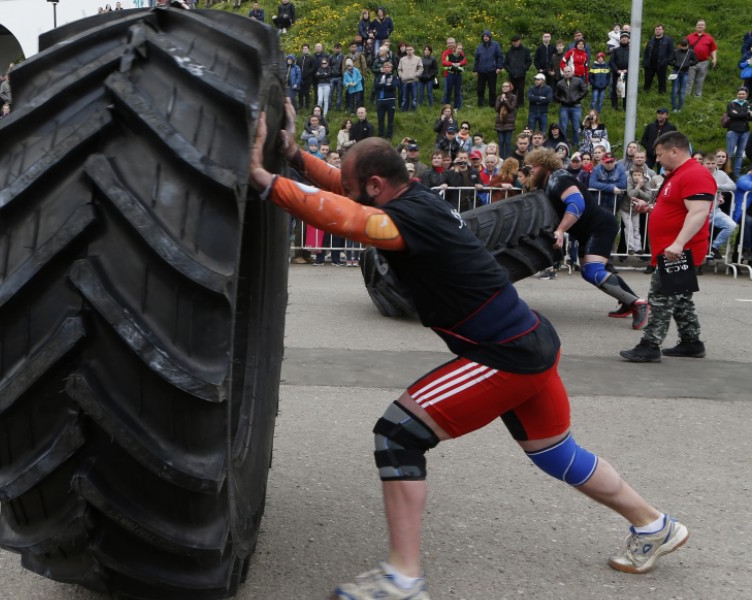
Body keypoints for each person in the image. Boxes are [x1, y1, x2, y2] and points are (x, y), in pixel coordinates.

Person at [249, 99, 689, 600]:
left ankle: (403, 579)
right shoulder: (414, 197)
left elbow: (351, 221)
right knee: (555, 452)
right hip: (530, 338)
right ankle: (654, 525)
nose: (348, 191)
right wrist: (292, 154)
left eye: (355, 187)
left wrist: (263, 179)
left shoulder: (403, 220)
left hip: (505, 353)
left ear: (376, 186)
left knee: (397, 435)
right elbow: (341, 187)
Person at [524, 147, 649, 326]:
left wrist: (560, 231)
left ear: (544, 165)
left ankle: (639, 303)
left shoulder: (559, 178)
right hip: (587, 231)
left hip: (599, 227)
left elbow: (576, 204)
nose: (532, 171)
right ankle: (629, 302)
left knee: (592, 271)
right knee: (590, 272)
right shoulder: (548, 182)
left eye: (533, 167)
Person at [621, 131, 714, 362]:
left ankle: (650, 345)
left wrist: (679, 243)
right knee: (681, 296)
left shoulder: (695, 175)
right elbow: (676, 209)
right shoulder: (677, 174)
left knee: (660, 295)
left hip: (680, 250)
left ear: (675, 151)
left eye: (660, 154)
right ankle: (691, 342)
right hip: (673, 247)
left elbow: (699, 212)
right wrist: (650, 208)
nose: (658, 159)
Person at [685, 19, 717, 98]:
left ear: (705, 27)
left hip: (704, 62)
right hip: (691, 62)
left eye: (702, 25)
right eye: (698, 25)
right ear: (696, 26)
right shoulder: (689, 37)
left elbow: (713, 49)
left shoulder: (709, 38)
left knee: (700, 80)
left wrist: (714, 58)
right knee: (689, 80)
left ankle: (697, 96)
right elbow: (682, 47)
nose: (700, 26)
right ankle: (686, 96)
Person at [556, 66, 586, 147]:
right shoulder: (560, 83)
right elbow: (556, 95)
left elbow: (585, 90)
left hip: (576, 106)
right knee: (563, 127)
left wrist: (577, 98)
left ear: (572, 72)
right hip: (564, 107)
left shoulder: (578, 80)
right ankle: (564, 144)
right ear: (563, 73)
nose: (567, 73)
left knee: (576, 127)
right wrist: (562, 100)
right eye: (565, 72)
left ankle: (576, 144)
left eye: (568, 71)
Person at [725, 87, 751, 177]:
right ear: (737, 94)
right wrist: (747, 114)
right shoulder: (731, 104)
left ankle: (736, 175)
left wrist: (739, 114)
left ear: (746, 95)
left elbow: (750, 118)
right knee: (730, 154)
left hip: (745, 132)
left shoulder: (747, 104)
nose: (741, 96)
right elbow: (732, 115)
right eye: (739, 94)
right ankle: (727, 173)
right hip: (733, 131)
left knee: (739, 155)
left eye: (743, 94)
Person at [473, 30, 503, 108]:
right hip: (481, 70)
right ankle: (480, 104)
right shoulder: (479, 47)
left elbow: (500, 56)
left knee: (492, 88)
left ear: (490, 37)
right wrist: (475, 69)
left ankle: (492, 104)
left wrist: (499, 67)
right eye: (484, 36)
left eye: (486, 36)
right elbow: (476, 59)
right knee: (480, 88)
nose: (485, 38)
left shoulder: (496, 45)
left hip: (492, 70)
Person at [643, 24, 674, 94]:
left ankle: (662, 95)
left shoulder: (668, 40)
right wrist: (645, 62)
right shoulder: (650, 41)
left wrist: (666, 61)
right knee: (647, 80)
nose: (657, 31)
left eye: (659, 29)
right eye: (656, 29)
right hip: (650, 65)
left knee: (662, 81)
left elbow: (671, 53)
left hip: (661, 64)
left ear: (663, 30)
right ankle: (645, 93)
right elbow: (646, 53)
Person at [670, 39, 696, 112]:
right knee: (674, 90)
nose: (684, 48)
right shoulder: (676, 51)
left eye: (685, 46)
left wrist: (688, 64)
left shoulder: (690, 52)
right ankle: (674, 108)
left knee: (682, 91)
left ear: (688, 45)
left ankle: (680, 108)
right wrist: (675, 64)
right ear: (680, 45)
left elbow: (695, 61)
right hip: (676, 72)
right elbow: (669, 60)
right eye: (682, 46)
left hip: (685, 73)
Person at [374, 61, 398, 140]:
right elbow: (376, 86)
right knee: (380, 119)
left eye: (388, 67)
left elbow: (393, 86)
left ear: (391, 68)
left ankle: (389, 136)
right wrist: (385, 85)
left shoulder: (394, 77)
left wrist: (383, 85)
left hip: (390, 100)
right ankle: (381, 135)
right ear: (383, 69)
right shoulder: (380, 77)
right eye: (385, 67)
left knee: (390, 119)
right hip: (380, 100)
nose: (386, 68)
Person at [494, 82, 518, 158]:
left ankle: (507, 158)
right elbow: (497, 109)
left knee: (507, 141)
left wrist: (505, 100)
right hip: (500, 123)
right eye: (503, 86)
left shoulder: (514, 97)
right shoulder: (499, 97)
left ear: (510, 87)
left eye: (506, 86)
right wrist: (501, 100)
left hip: (509, 123)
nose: (504, 88)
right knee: (501, 141)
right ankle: (501, 157)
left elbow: (511, 108)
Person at [608, 31, 631, 110]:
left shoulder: (631, 51)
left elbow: (633, 62)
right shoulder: (615, 50)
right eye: (622, 37)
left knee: (627, 91)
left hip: (627, 74)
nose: (624, 39)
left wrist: (627, 70)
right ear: (620, 39)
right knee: (615, 90)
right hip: (616, 73)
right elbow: (611, 62)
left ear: (628, 39)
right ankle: (615, 106)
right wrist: (617, 70)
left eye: (626, 37)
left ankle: (625, 107)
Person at [441, 41, 466, 110]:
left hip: (458, 74)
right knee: (447, 92)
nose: (450, 44)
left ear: (455, 44)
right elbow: (443, 62)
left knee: (458, 92)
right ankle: (446, 108)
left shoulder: (460, 53)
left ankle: (457, 107)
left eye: (452, 43)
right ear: (447, 44)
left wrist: (459, 64)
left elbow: (464, 61)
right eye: (449, 43)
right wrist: (451, 64)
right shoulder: (446, 53)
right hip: (448, 74)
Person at [397, 45, 422, 112]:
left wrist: (416, 75)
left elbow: (421, 68)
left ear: (413, 50)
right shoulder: (402, 59)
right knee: (404, 98)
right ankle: (404, 111)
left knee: (414, 98)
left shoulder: (418, 59)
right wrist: (401, 76)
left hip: (414, 81)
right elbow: (399, 69)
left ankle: (413, 111)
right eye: (407, 50)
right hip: (405, 81)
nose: (409, 51)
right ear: (406, 51)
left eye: (410, 49)